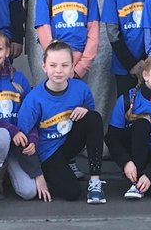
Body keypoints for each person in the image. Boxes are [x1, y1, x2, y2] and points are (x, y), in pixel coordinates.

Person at [15, 41, 107, 203]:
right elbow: (22, 141)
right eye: (53, 65)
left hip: (68, 143)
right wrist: (38, 175)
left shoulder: (81, 89)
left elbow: (92, 126)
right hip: (47, 153)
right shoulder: (34, 99)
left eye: (64, 65)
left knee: (93, 117)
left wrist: (85, 110)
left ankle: (95, 180)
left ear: (72, 68)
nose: (58, 70)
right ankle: (55, 172)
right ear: (44, 67)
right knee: (72, 192)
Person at [106, 55, 151, 199]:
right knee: (142, 123)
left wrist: (150, 175)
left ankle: (141, 179)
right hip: (131, 151)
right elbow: (112, 138)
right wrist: (125, 162)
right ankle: (135, 181)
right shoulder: (126, 99)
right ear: (146, 75)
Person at [0, 30, 40, 200]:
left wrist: (32, 138)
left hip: (16, 146)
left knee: (29, 192)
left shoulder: (19, 79)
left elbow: (31, 114)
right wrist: (11, 130)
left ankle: (7, 175)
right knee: (2, 135)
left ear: (7, 51)